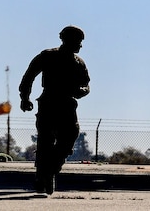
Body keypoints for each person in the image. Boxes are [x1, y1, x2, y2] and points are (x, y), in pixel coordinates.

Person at [19, 25, 90, 195]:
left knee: (71, 134)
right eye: (78, 41)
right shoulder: (48, 56)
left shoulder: (79, 62)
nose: (80, 45)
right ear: (68, 40)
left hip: (68, 104)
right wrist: (25, 98)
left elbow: (86, 84)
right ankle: (41, 176)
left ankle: (52, 167)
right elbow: (29, 76)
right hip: (48, 102)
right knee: (45, 139)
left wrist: (82, 91)